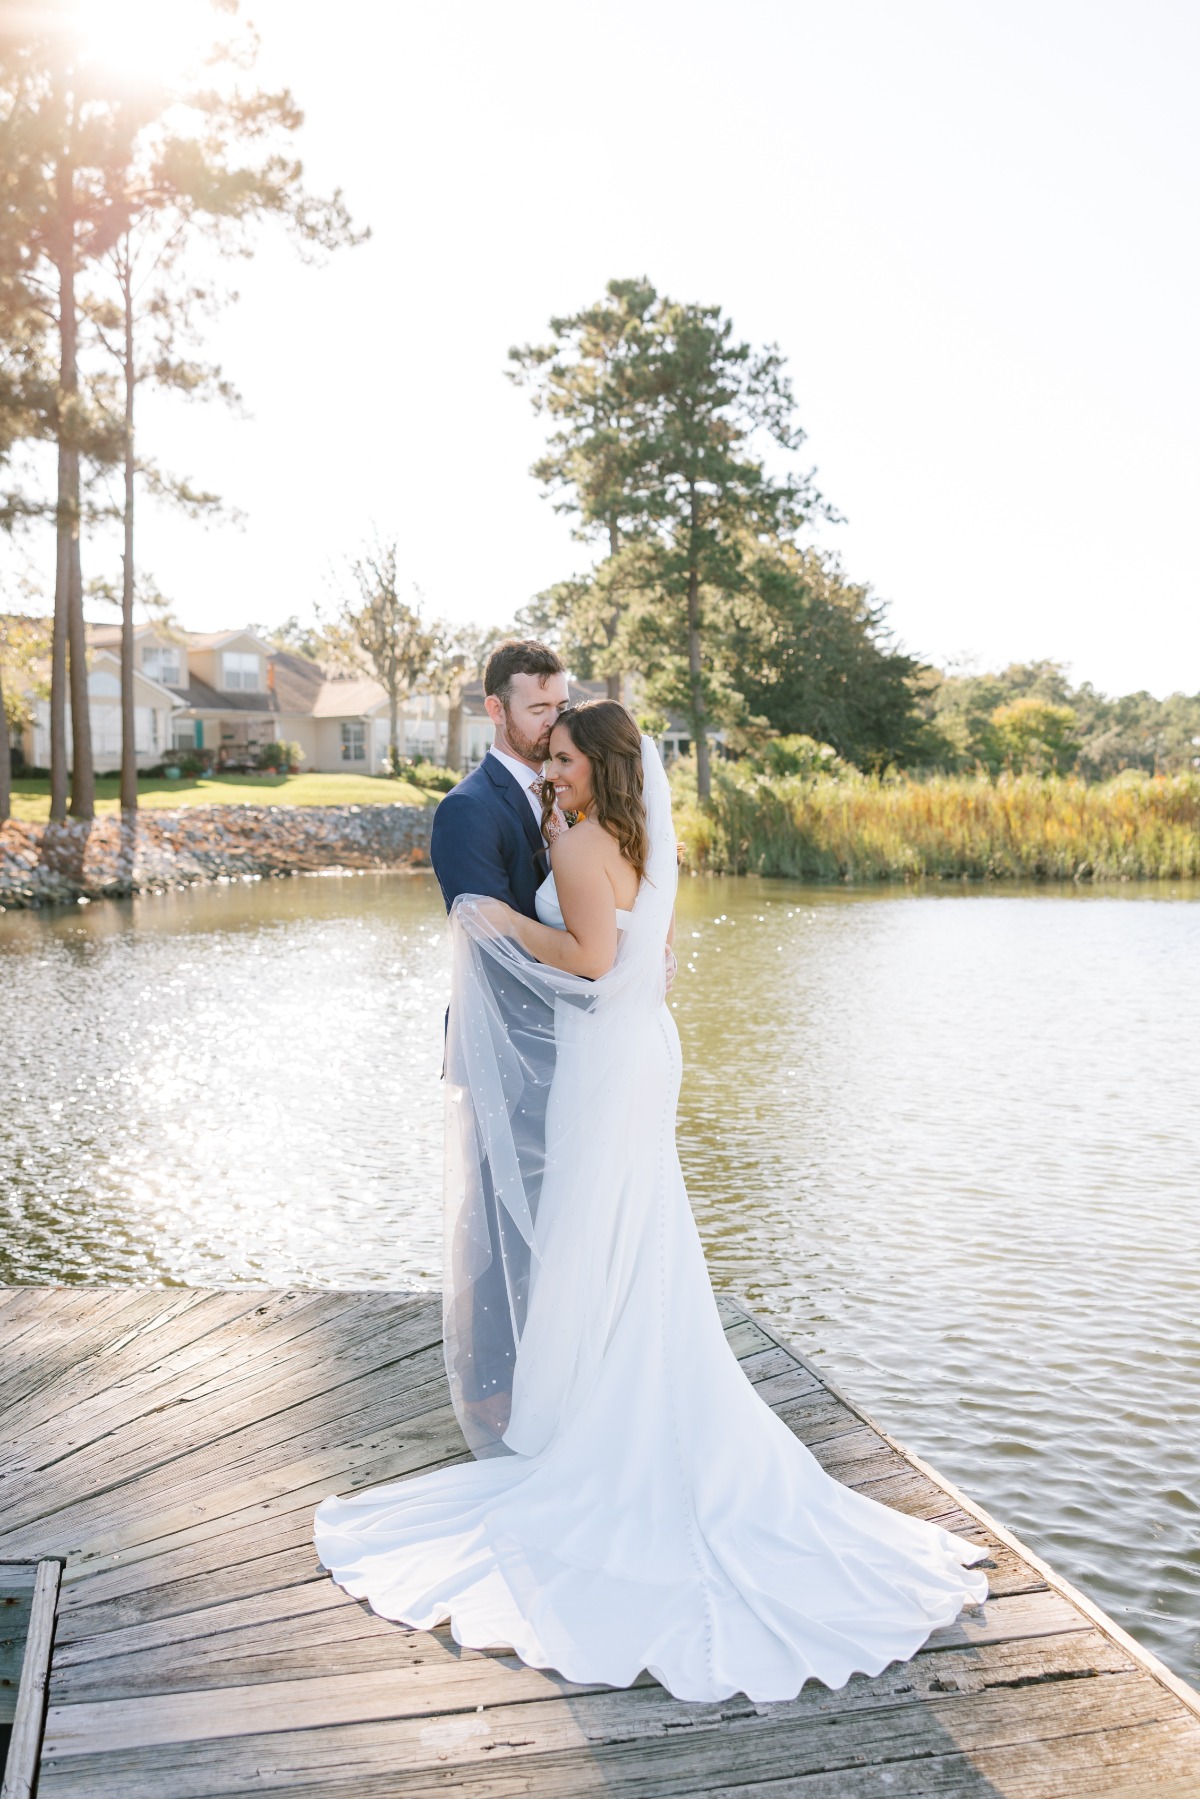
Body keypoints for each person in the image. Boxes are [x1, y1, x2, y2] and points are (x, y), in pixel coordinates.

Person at [315, 699, 988, 1704]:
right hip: (637, 1052)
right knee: (631, 1228)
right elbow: (645, 959)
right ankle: (611, 1393)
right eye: (548, 757)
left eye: (566, 757)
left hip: (605, 1059)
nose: (554, 771)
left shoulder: (587, 842)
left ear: (603, 763)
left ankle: (590, 1413)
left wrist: (501, 918)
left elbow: (591, 959)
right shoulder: (636, 838)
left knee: (600, 1227)